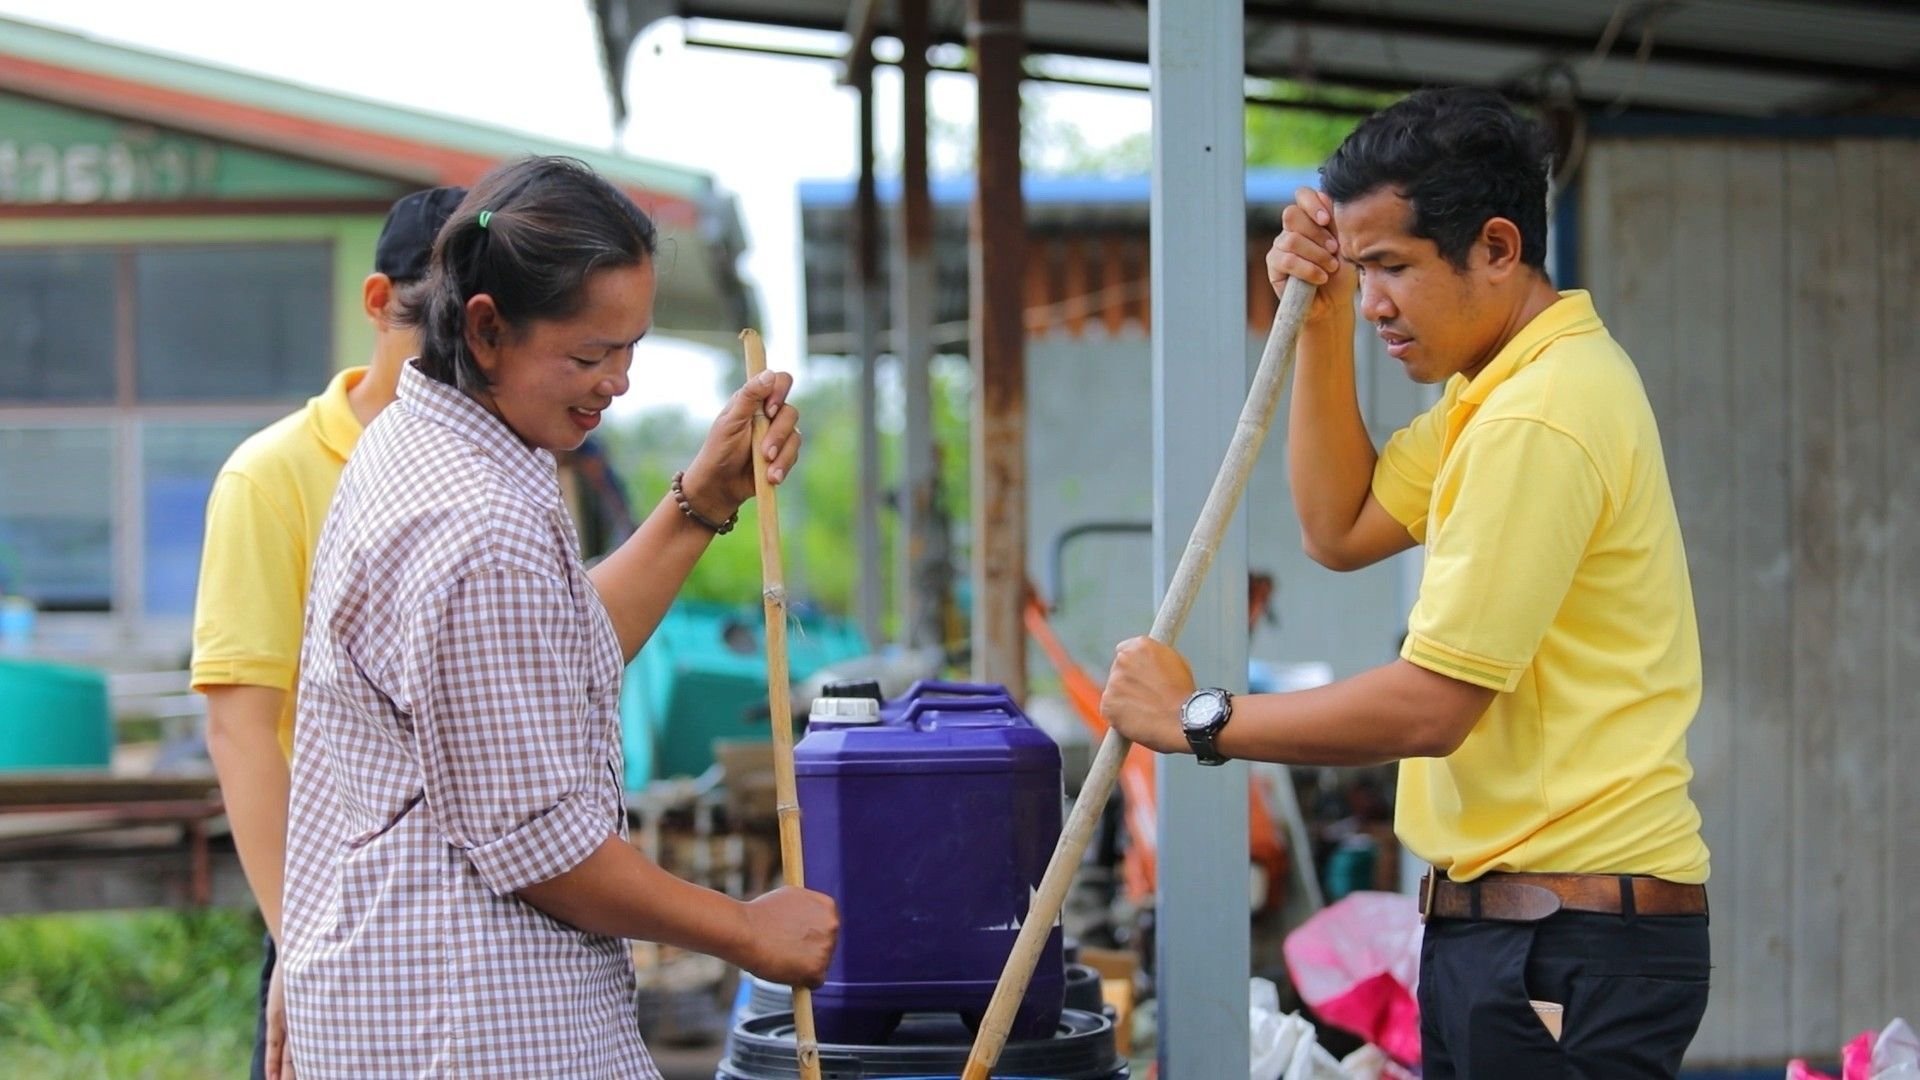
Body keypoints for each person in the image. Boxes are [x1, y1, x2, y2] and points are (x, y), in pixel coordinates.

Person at [1100, 88, 1710, 1078]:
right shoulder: (1502, 391)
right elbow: (1337, 527)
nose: (1376, 298)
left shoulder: (1537, 418)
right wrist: (1323, 322)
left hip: (1564, 944)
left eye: (1392, 268)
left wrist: (1200, 718)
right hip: (1534, 935)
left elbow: (1432, 707)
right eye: (1360, 268)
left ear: (1499, 249)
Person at [279, 156, 836, 1079]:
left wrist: (700, 498)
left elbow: (561, 652)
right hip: (466, 1024)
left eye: (630, 350)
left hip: (434, 999)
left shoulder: (454, 439)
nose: (615, 382)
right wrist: (745, 928)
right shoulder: (471, 520)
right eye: (588, 355)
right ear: (487, 328)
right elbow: (542, 846)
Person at [190, 184, 465, 1080]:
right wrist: (302, 943)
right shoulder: (271, 478)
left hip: (472, 911)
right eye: (448, 332)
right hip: (335, 912)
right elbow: (241, 728)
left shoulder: (495, 466)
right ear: (380, 305)